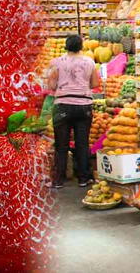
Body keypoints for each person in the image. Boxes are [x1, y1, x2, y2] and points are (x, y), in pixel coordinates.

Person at [47, 34, 100, 188]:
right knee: (82, 143)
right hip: (84, 106)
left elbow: (51, 85)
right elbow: (95, 83)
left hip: (62, 106)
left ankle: (58, 180)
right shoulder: (89, 62)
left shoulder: (57, 62)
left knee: (61, 145)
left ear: (66, 46)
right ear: (81, 47)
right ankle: (83, 178)